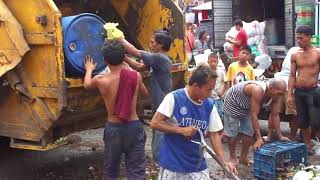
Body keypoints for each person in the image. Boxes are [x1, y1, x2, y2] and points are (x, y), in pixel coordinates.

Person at [151, 65, 237, 179]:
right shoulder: (174, 98)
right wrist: (180, 130)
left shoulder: (209, 105)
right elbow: (155, 123)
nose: (211, 94)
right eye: (208, 89)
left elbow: (214, 134)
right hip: (174, 164)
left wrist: (223, 162)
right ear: (196, 86)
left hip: (197, 165)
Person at [83, 40, 149, 179]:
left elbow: (87, 85)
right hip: (133, 126)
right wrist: (130, 71)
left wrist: (89, 69)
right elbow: (145, 94)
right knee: (136, 170)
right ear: (123, 56)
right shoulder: (135, 76)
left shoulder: (101, 80)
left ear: (105, 61)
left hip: (114, 129)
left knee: (111, 169)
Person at [120, 30, 172, 162]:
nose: (150, 44)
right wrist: (124, 58)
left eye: (152, 42)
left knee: (160, 133)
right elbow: (139, 66)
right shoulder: (156, 59)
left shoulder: (159, 58)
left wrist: (119, 37)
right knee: (158, 131)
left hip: (163, 105)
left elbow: (134, 51)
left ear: (160, 45)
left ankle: (162, 163)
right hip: (159, 103)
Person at [223, 79, 289, 166]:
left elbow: (275, 115)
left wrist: (280, 135)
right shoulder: (258, 90)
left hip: (247, 106)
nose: (280, 96)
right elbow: (254, 115)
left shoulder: (276, 96)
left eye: (282, 94)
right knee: (232, 133)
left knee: (248, 133)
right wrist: (259, 138)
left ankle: (243, 157)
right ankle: (232, 158)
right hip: (233, 102)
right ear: (271, 88)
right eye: (279, 93)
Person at [287, 25, 320, 153]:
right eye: (297, 38)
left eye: (301, 38)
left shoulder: (317, 53)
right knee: (303, 120)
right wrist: (289, 94)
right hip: (299, 92)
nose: (298, 41)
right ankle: (307, 146)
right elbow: (291, 76)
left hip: (313, 91)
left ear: (309, 37)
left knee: (316, 120)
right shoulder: (295, 55)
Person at [207, 53, 227, 119]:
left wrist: (222, 93)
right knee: (210, 115)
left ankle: (221, 128)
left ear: (218, 62)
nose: (213, 63)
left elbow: (226, 82)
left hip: (218, 98)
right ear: (208, 62)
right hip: (208, 98)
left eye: (214, 61)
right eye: (211, 62)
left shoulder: (221, 72)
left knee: (220, 115)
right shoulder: (206, 72)